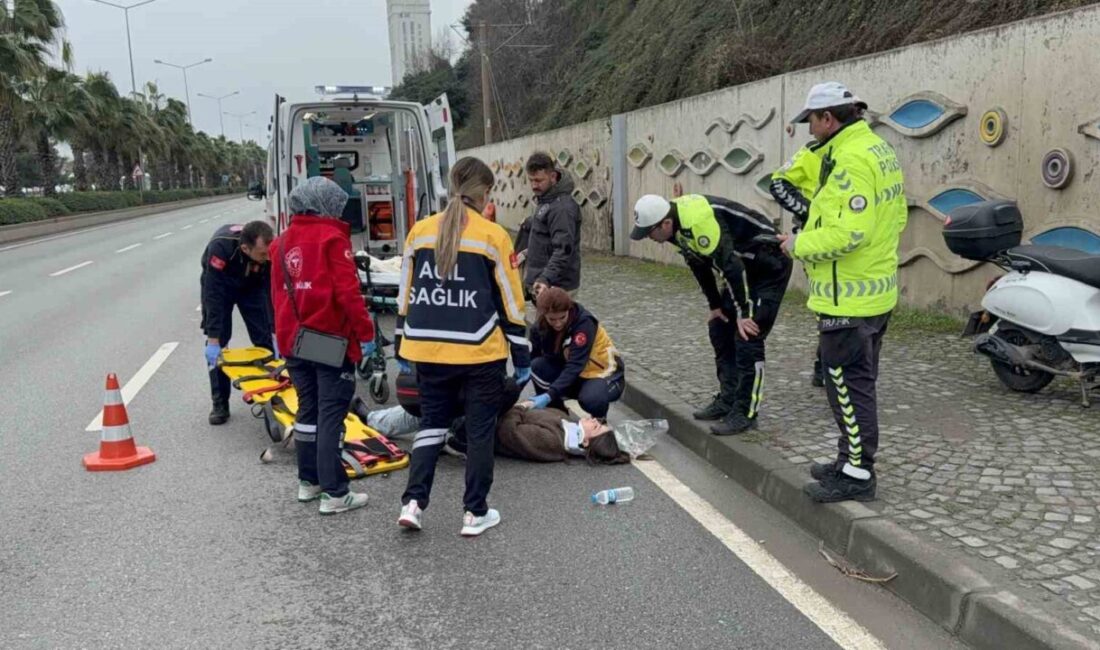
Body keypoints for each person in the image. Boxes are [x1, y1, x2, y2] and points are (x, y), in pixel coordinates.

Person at [778, 82, 908, 503]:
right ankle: (847, 458)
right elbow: (898, 216)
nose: (810, 131)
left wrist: (799, 244)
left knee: (847, 386)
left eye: (812, 123)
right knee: (858, 382)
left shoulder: (849, 160)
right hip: (874, 290)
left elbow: (850, 231)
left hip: (848, 298)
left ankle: (857, 473)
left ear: (828, 118)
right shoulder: (876, 149)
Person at [394, 156, 529, 537]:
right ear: (485, 193)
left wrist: (401, 345)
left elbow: (405, 294)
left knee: (431, 426)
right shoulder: (492, 235)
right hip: (479, 351)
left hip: (427, 351)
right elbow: (511, 303)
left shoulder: (419, 232)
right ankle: (475, 512)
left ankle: (413, 504)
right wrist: (522, 357)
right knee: (480, 429)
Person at [630, 193, 792, 436]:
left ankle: (746, 412)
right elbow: (699, 264)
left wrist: (745, 314)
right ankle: (728, 398)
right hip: (742, 266)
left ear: (664, 224)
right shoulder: (676, 227)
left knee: (747, 335)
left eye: (650, 233)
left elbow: (732, 268)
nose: (649, 239)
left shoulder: (697, 222)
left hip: (768, 264)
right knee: (719, 327)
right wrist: (715, 305)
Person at [270, 177, 377, 515]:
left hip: (294, 339)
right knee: (331, 414)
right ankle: (335, 492)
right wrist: (366, 334)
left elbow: (276, 294)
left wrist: (280, 336)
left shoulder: (281, 242)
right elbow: (348, 294)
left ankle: (309, 482)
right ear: (324, 203)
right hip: (329, 340)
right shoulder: (332, 238)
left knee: (308, 411)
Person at [201, 220, 275, 425]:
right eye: (262, 254)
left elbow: (273, 292)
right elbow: (212, 296)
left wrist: (276, 330)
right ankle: (220, 403)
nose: (267, 257)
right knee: (219, 346)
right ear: (245, 248)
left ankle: (270, 394)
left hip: (252, 285)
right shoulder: (221, 248)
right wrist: (214, 339)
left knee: (264, 339)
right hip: (220, 286)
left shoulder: (268, 251)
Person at [527, 287, 625, 419]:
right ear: (544, 315)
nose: (557, 323)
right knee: (536, 367)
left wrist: (550, 394)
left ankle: (600, 423)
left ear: (569, 310)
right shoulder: (539, 329)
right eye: (552, 319)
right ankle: (557, 415)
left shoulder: (584, 324)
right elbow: (531, 360)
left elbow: (575, 365)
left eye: (562, 317)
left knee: (591, 399)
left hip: (602, 374)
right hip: (576, 376)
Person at [521, 151, 581, 298]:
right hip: (544, 284)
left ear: (553, 177)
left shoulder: (562, 208)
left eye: (539, 180)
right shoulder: (548, 199)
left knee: (553, 321)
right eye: (531, 180)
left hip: (555, 287)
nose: (534, 185)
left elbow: (563, 249)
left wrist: (545, 278)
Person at [496, 406, 630, 464]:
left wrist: (520, 406)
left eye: (596, 426)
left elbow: (508, 431)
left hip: (491, 426)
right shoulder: (567, 424)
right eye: (599, 422)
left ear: (585, 442)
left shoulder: (551, 440)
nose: (595, 419)